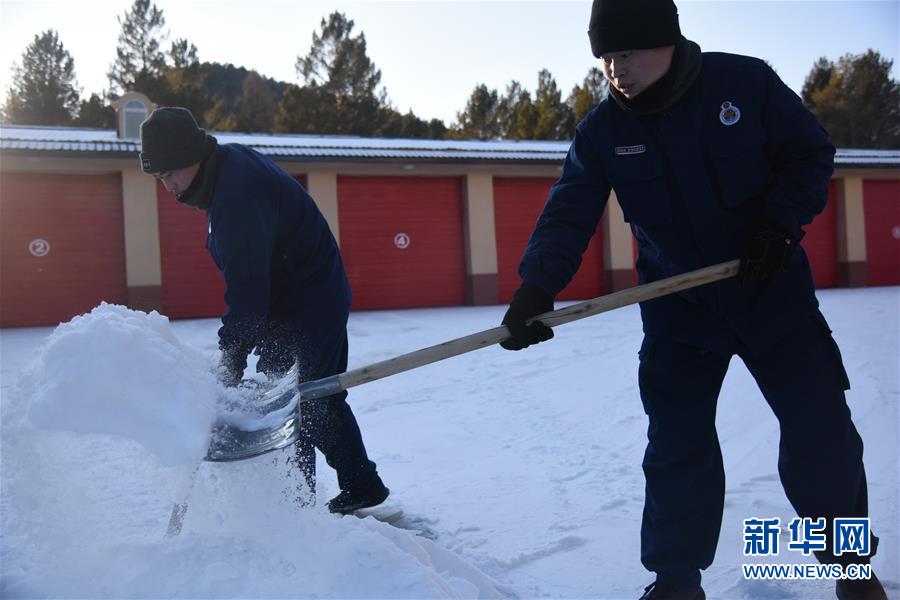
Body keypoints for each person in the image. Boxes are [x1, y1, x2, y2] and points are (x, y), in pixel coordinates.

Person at [499, 1, 885, 599]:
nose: (614, 68)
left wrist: (779, 226)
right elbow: (569, 213)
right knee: (677, 445)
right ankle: (675, 581)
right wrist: (535, 288)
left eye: (626, 52)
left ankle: (852, 573)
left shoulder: (745, 84)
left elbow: (809, 154)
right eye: (604, 56)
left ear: (667, 42)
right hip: (680, 312)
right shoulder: (602, 132)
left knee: (821, 433)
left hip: (771, 294)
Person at [139, 106, 389, 515]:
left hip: (311, 303)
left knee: (309, 400)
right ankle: (320, 494)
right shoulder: (224, 169)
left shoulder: (236, 192)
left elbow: (247, 286)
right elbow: (252, 280)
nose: (166, 186)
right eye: (159, 178)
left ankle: (330, 497)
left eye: (169, 174)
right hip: (284, 303)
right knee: (284, 401)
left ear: (192, 156)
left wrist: (233, 356)